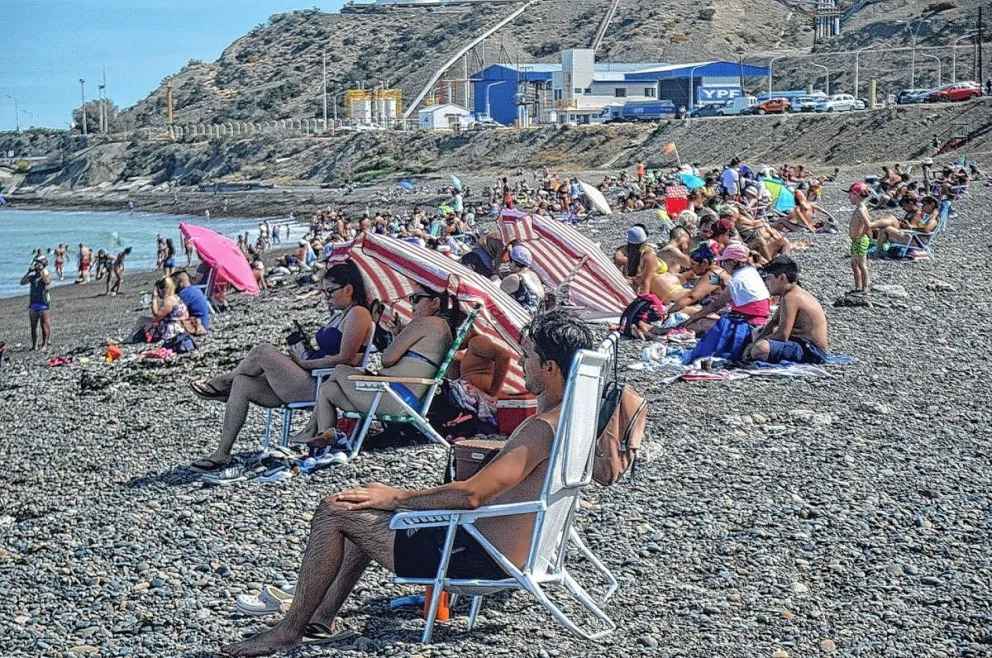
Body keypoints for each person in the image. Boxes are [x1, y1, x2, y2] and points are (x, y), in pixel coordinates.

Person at [219, 310, 594, 658]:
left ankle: (288, 631)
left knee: (336, 510)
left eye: (527, 356)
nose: (522, 363)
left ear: (549, 367)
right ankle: (320, 618)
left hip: (474, 558)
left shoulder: (540, 429)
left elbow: (472, 495)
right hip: (511, 551)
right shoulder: (572, 422)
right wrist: (391, 499)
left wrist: (398, 497)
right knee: (366, 502)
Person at [188, 263, 375, 471]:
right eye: (324, 292)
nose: (326, 297)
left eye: (330, 291)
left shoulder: (358, 313)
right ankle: (222, 453)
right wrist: (306, 353)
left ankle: (222, 383)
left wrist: (305, 363)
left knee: (263, 351)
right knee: (242, 383)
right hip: (311, 377)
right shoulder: (341, 314)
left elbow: (346, 359)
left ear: (348, 289)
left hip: (323, 385)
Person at [290, 283, 462, 448]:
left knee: (341, 370)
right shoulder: (444, 329)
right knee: (329, 389)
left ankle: (313, 432)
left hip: (393, 398)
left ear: (435, 302)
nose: (412, 304)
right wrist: (397, 335)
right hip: (407, 399)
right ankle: (326, 435)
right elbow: (413, 361)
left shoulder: (424, 323)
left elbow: (387, 359)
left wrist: (397, 338)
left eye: (416, 298)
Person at [744, 256, 829, 364]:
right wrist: (755, 342)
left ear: (782, 278)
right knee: (758, 333)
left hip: (811, 351)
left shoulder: (792, 297)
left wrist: (755, 345)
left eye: (769, 278)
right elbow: (774, 322)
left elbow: (782, 335)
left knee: (761, 349)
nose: (767, 283)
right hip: (802, 344)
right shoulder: (790, 294)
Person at [20, 255, 52, 351]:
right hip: (33, 304)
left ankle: (44, 344)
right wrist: (29, 272)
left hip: (43, 304)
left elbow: (47, 282)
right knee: (33, 326)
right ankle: (34, 345)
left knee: (44, 324)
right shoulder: (32, 277)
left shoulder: (44, 275)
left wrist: (41, 271)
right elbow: (22, 282)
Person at [500, 245, 543, 314]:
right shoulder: (535, 276)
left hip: (516, 315)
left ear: (514, 263)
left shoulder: (515, 278)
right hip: (530, 317)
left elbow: (498, 293)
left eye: (510, 260)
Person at [847, 183, 872, 296]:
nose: (849, 197)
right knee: (854, 264)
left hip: (860, 240)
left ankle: (864, 288)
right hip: (856, 240)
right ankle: (857, 287)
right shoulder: (860, 208)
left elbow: (868, 224)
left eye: (851, 195)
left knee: (862, 264)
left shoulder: (861, 209)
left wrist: (861, 235)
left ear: (857, 195)